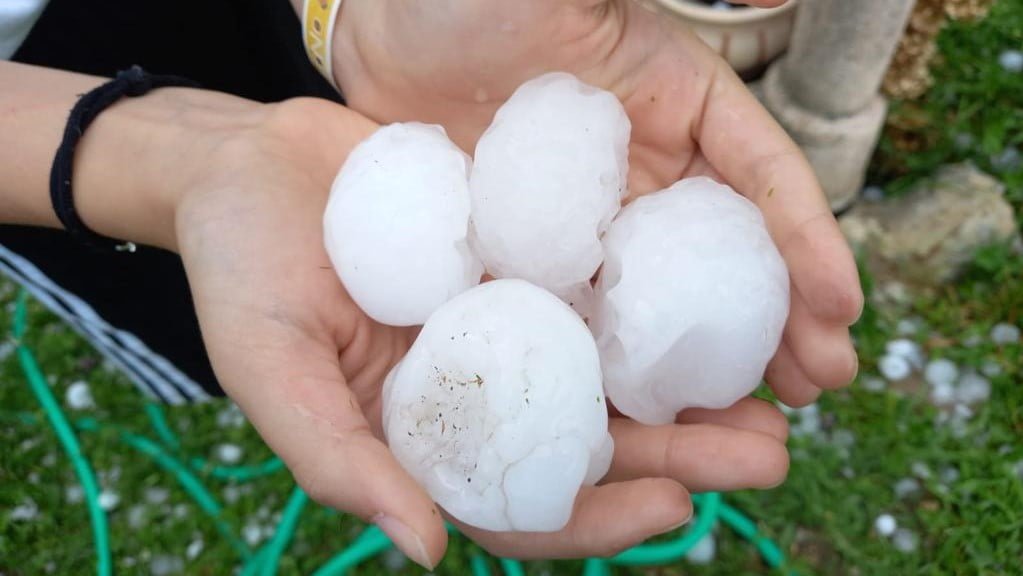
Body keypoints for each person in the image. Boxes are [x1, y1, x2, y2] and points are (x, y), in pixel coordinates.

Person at [0, 0, 863, 568]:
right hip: (43, 150)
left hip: (286, 47)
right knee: (193, 313)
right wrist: (169, 166)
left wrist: (348, 13)